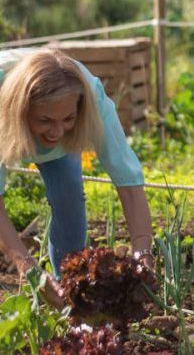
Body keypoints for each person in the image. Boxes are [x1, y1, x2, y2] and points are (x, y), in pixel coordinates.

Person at [0, 48, 154, 309]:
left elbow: (129, 185)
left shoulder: (91, 99)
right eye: (45, 119)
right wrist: (29, 270)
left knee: (69, 195)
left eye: (68, 118)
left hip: (51, 139)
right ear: (23, 111)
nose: (57, 131)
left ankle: (67, 295)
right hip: (7, 129)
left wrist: (143, 256)